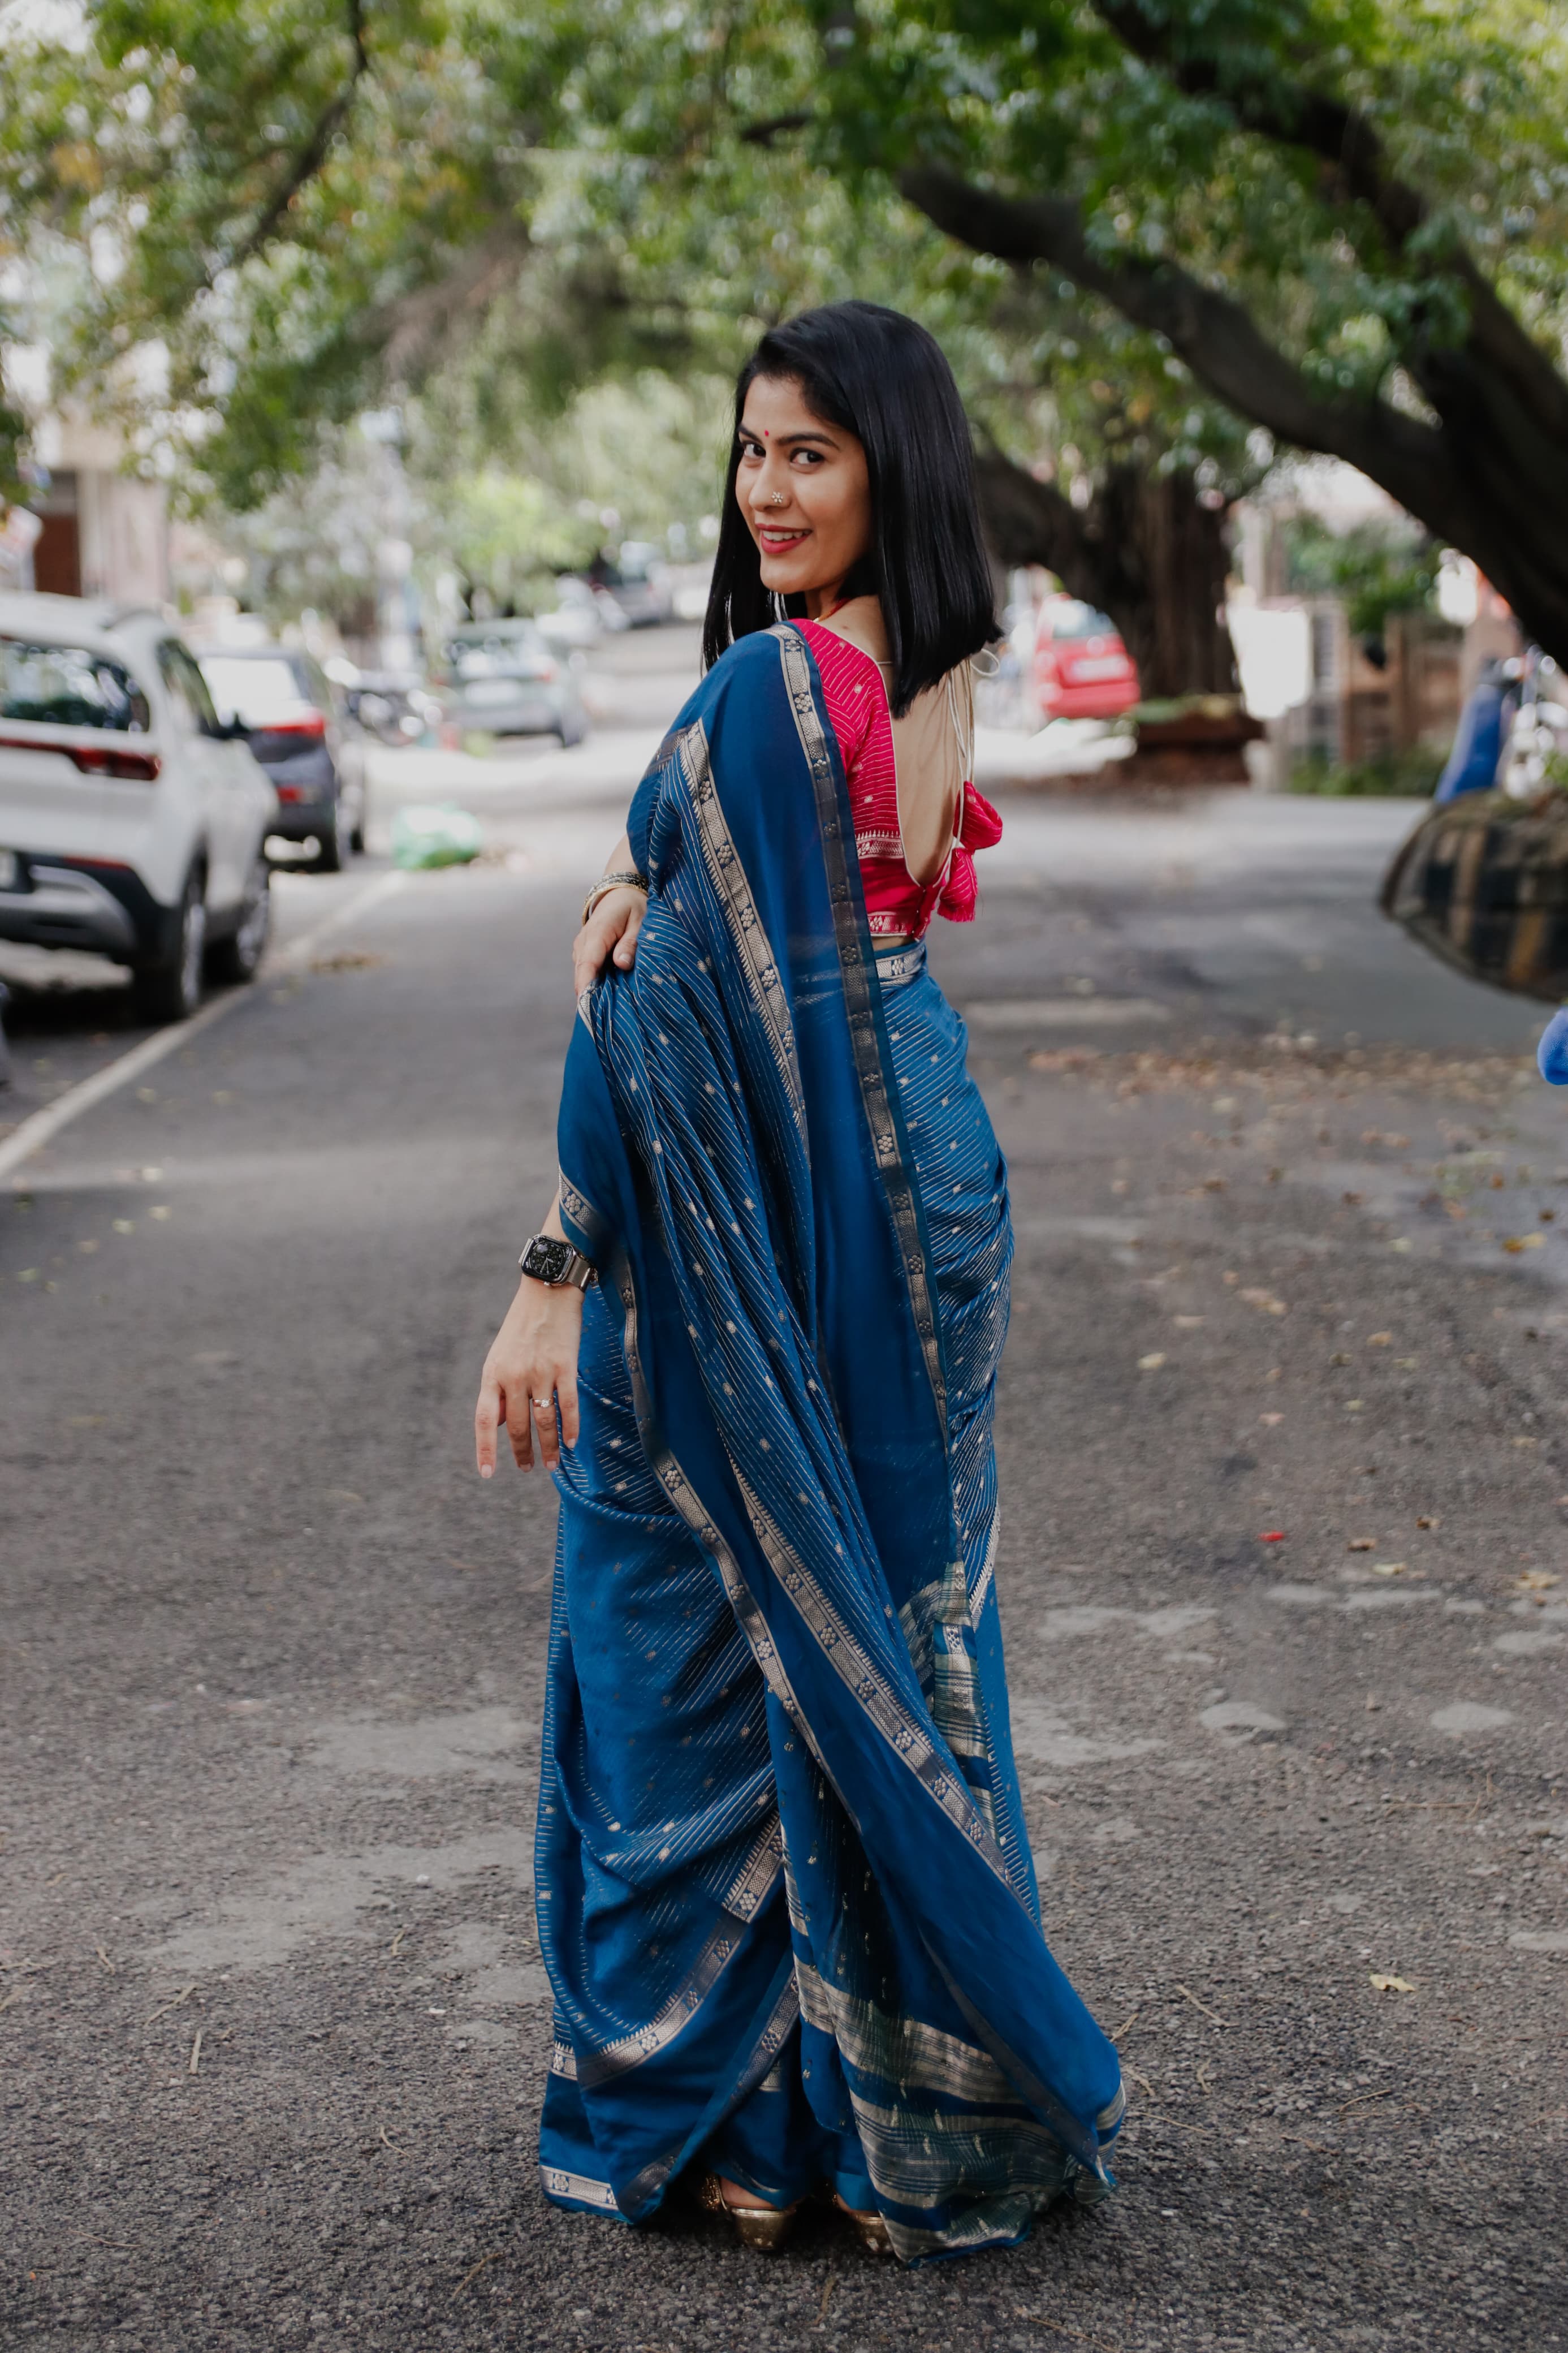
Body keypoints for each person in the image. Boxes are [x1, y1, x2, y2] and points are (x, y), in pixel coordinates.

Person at [474, 301, 1123, 2264]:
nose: (765, 490)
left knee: (679, 1597)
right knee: (870, 1604)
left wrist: (554, 1268)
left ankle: (735, 2122)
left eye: (808, 455)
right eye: (751, 452)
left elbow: (668, 1017)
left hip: (792, 1194)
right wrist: (646, 886)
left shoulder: (768, 695)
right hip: (918, 1171)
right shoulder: (923, 672)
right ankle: (878, 2108)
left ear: (888, 470)